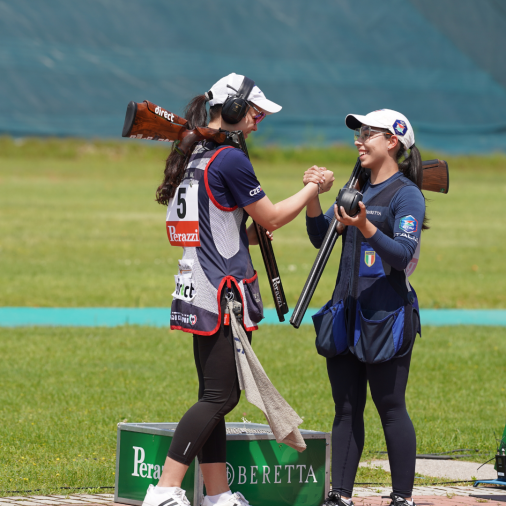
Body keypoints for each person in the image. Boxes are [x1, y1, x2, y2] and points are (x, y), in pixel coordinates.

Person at [141, 73, 334, 506]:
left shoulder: (194, 155)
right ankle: (167, 489)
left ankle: (218, 494)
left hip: (197, 281)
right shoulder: (228, 159)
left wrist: (249, 231)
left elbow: (208, 224)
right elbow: (271, 218)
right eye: (254, 111)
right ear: (230, 110)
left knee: (215, 395)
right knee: (220, 396)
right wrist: (313, 188)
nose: (259, 119)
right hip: (219, 286)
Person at [304, 109, 427, 506]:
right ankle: (339, 495)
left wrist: (364, 226)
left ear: (393, 141)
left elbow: (403, 252)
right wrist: (313, 199)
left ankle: (402, 498)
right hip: (346, 310)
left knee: (390, 407)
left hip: (387, 314)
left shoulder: (406, 194)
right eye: (358, 133)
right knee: (345, 408)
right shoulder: (355, 187)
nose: (359, 140)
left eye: (369, 133)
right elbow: (320, 237)